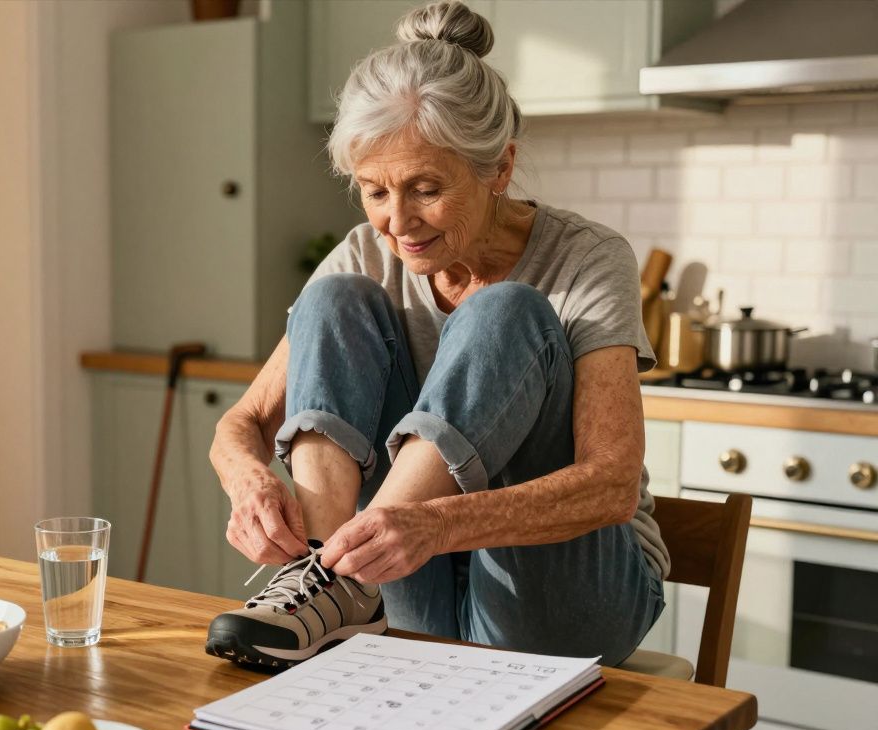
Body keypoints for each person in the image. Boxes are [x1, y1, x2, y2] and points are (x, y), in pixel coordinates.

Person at [204, 0, 667, 670]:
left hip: (564, 594)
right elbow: (241, 422)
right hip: (408, 592)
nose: (398, 224)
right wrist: (247, 480)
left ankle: (343, 575)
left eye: (426, 189)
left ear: (499, 169)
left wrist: (435, 524)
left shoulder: (587, 258)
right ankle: (333, 581)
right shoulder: (365, 252)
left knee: (505, 312)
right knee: (332, 299)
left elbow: (612, 486)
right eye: (374, 191)